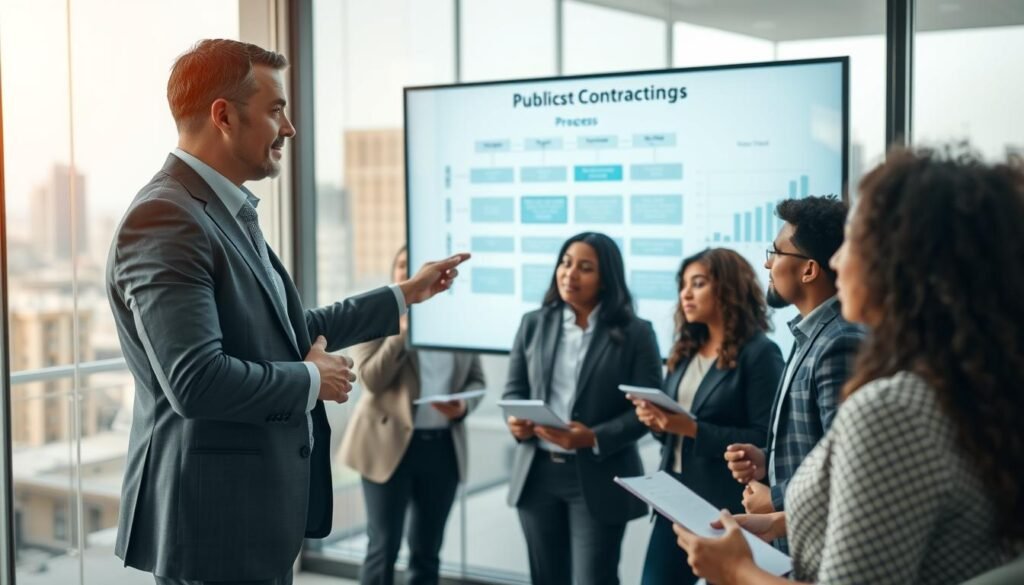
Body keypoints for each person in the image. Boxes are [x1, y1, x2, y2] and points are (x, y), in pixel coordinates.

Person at [106, 39, 468, 585]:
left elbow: (288, 329)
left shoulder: (222, 213)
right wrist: (308, 379)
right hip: (212, 526)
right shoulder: (165, 218)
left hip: (247, 517)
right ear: (224, 115)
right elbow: (195, 382)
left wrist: (404, 296)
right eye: (277, 109)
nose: (290, 128)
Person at [674, 147, 1024, 584]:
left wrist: (735, 571)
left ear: (902, 267)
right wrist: (780, 522)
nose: (837, 262)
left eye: (855, 243)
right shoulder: (969, 387)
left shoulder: (893, 407)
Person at [503, 232, 662, 585]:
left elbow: (649, 411)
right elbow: (514, 389)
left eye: (585, 268)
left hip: (598, 475)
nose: (570, 274)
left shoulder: (637, 333)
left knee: (595, 579)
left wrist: (593, 437)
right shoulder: (533, 323)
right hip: (538, 474)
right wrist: (516, 423)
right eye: (566, 262)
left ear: (606, 278)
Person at [630, 248, 783, 585]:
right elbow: (675, 435)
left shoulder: (760, 353)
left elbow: (765, 438)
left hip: (722, 508)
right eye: (683, 285)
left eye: (697, 283)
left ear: (728, 289)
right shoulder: (684, 351)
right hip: (673, 501)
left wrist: (693, 429)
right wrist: (659, 422)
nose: (685, 294)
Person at [340, 246, 485, 585]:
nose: (409, 273)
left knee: (427, 551)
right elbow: (372, 380)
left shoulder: (457, 320)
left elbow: (477, 378)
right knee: (383, 547)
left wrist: (463, 407)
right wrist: (404, 332)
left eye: (416, 266)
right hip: (386, 446)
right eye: (403, 266)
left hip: (442, 449)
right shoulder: (375, 315)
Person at [724, 197, 864, 533]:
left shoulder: (839, 342)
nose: (768, 265)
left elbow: (846, 464)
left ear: (809, 269)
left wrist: (777, 497)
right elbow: (816, 445)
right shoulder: (811, 332)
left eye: (776, 253)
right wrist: (767, 460)